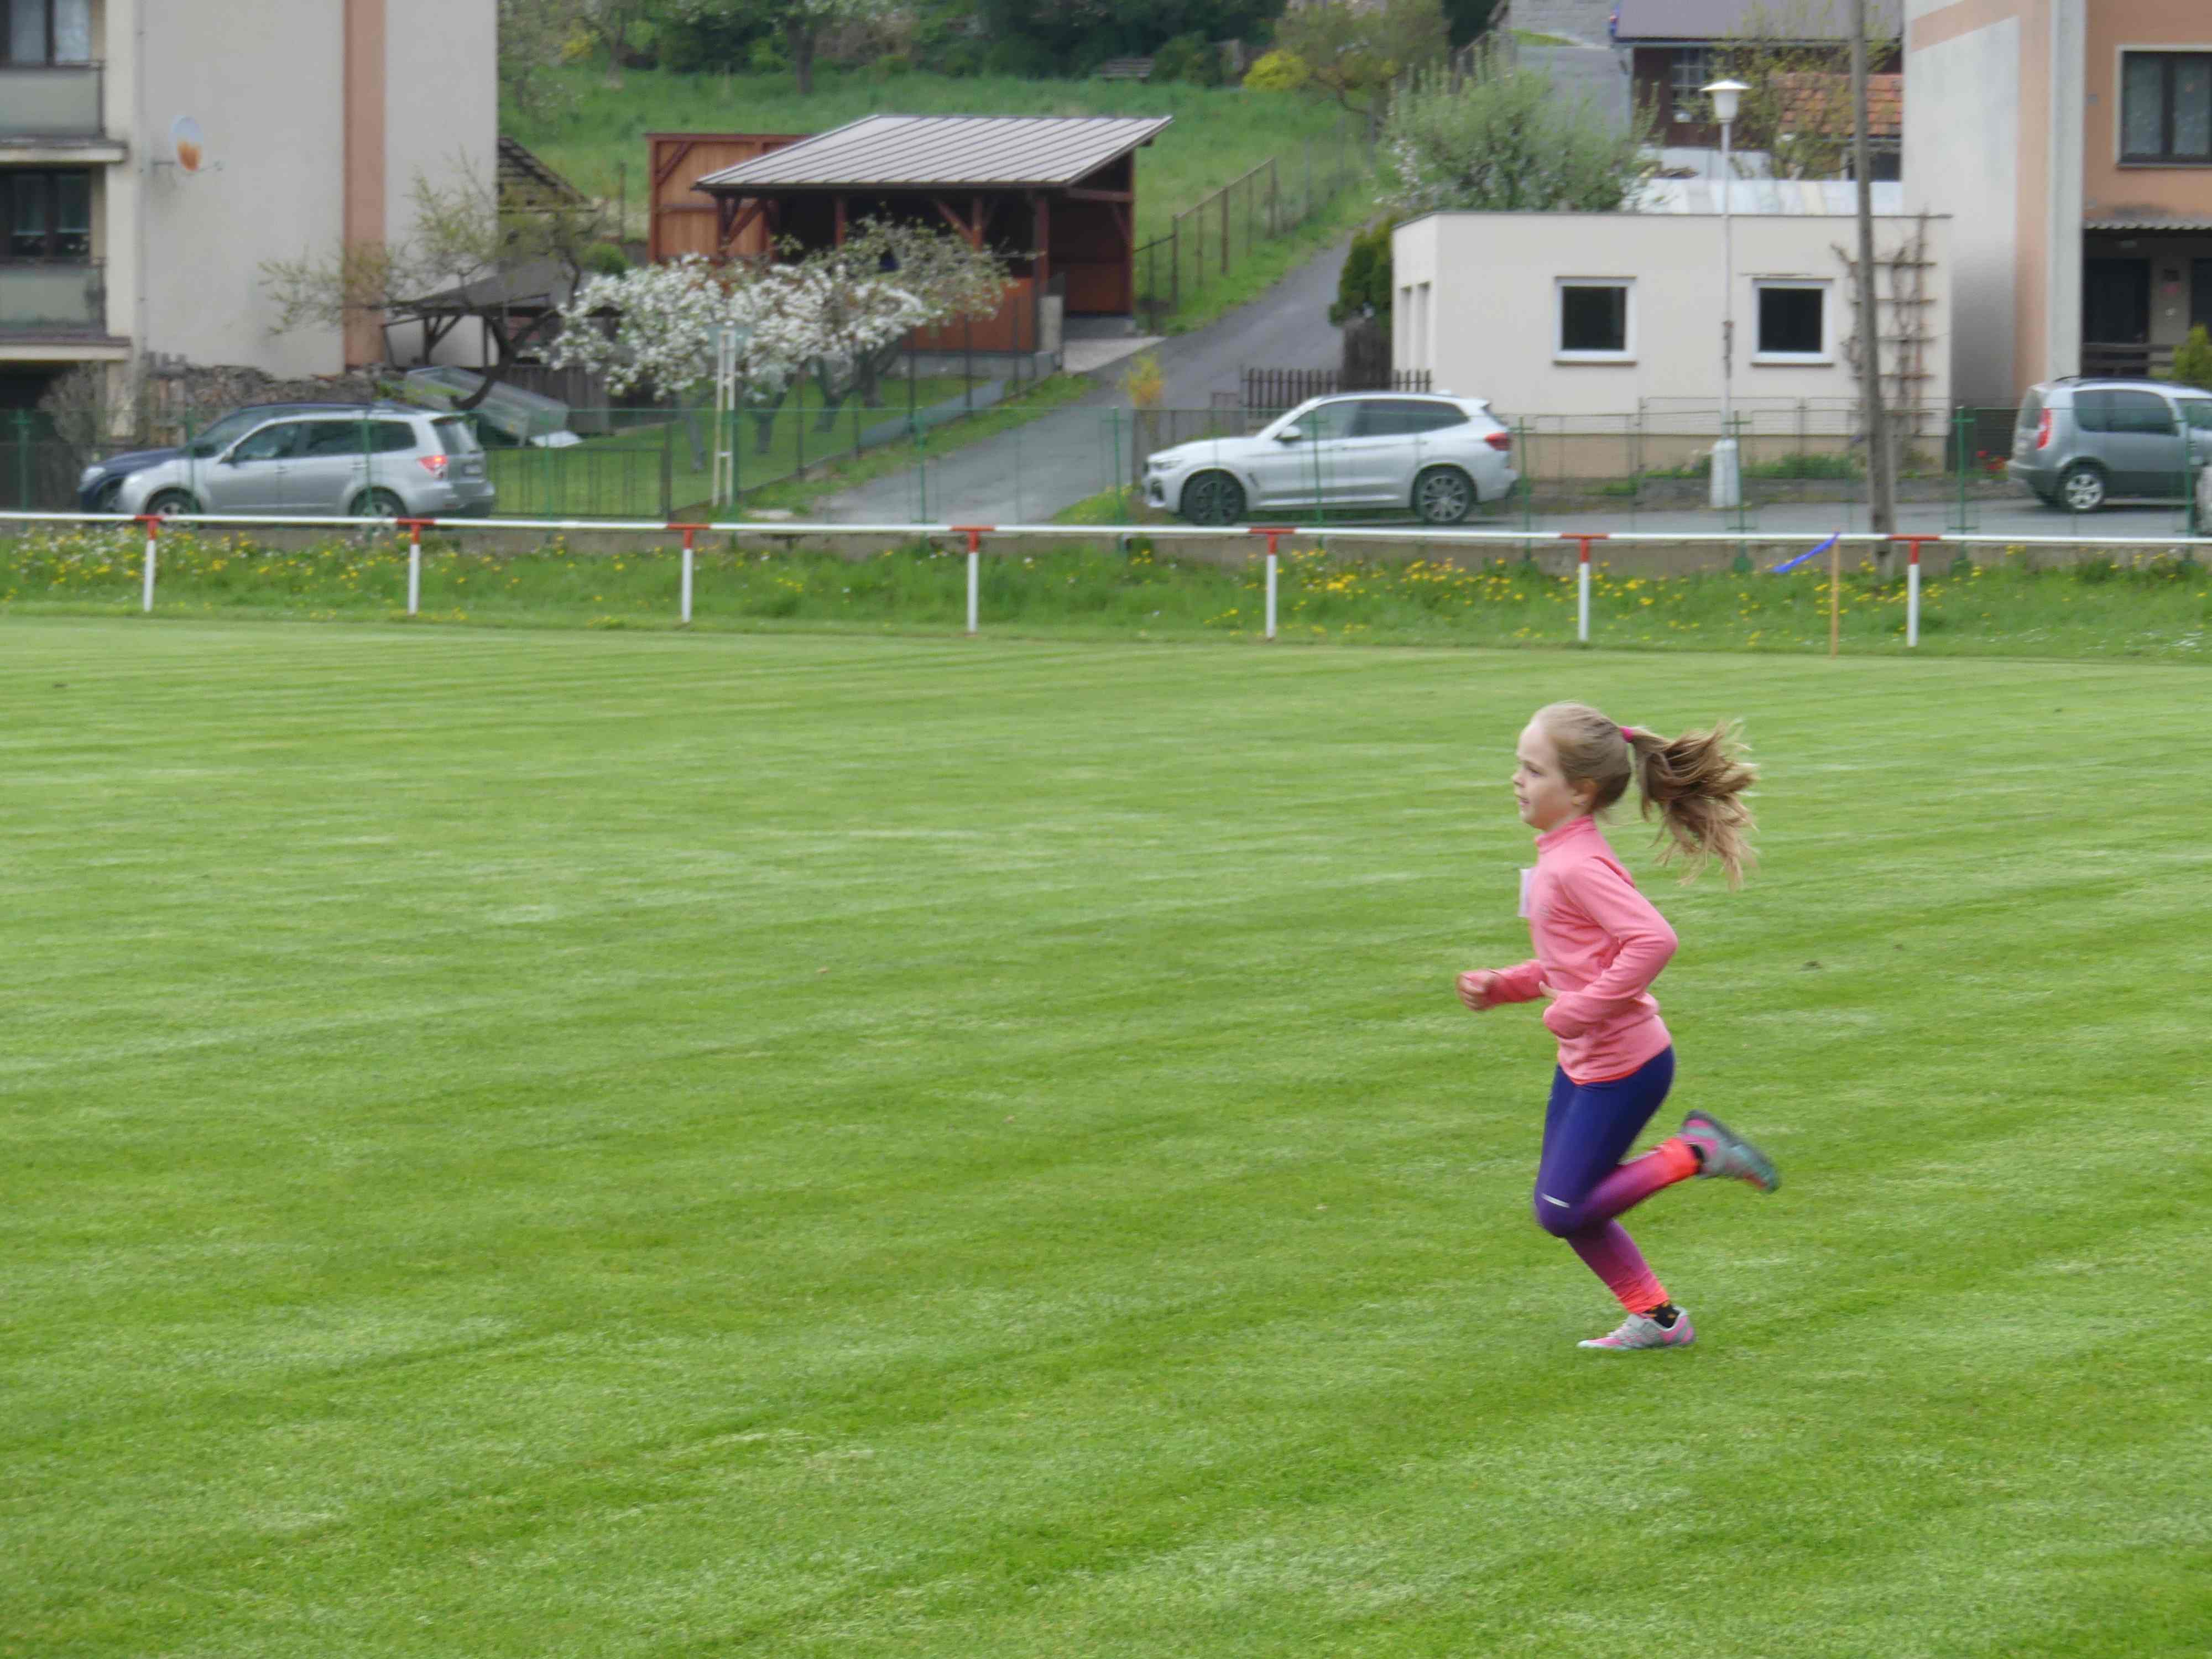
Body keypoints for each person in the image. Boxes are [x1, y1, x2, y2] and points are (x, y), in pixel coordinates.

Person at [1456, 701, 1777, 1352]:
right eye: (1519, 765)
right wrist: (1503, 986)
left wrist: (1579, 1010)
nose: (1517, 779)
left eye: (1533, 770)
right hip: (1588, 1063)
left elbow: (1654, 940)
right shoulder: (1558, 859)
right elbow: (1572, 964)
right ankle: (1658, 1318)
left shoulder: (1575, 865)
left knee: (1562, 1209)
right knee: (1568, 1204)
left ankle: (1696, 1152)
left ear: (1580, 791)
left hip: (1625, 1067)